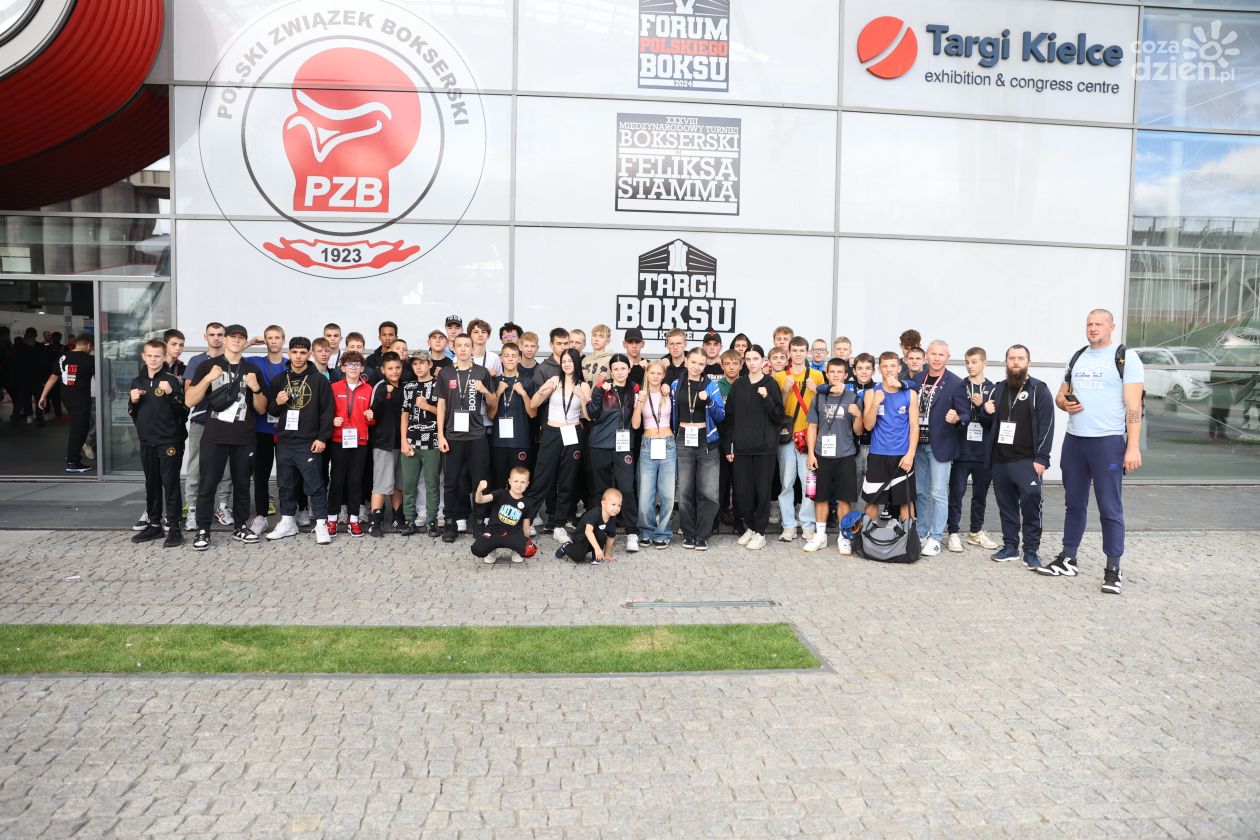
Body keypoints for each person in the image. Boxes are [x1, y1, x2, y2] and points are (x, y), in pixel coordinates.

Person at [1044, 309, 1145, 595]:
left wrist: (1132, 447)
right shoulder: (1077, 356)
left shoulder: (1126, 358)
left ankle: (1113, 568)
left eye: (1099, 324)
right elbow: (1061, 395)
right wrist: (1065, 403)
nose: (1093, 328)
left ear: (1111, 327)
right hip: (1075, 441)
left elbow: (1134, 407)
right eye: (1089, 324)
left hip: (1107, 443)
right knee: (1073, 503)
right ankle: (1068, 558)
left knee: (1109, 507)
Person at [185, 324, 268, 550]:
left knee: (242, 484)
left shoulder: (252, 369)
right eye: (233, 336)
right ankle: (203, 529)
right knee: (208, 484)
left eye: (241, 337)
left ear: (245, 341)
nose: (237, 340)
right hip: (214, 434)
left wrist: (256, 388)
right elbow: (189, 400)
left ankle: (240, 526)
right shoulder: (207, 366)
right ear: (226, 339)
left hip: (244, 436)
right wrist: (207, 379)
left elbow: (261, 408)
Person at [978, 344, 1054, 571]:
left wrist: (1042, 458)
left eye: (1020, 358)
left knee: (1031, 502)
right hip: (1000, 460)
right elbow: (987, 424)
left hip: (1027, 460)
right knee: (1006, 505)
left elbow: (1047, 425)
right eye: (1012, 358)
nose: (1016, 362)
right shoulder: (998, 389)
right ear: (1006, 362)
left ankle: (1031, 550)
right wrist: (985, 412)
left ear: (1028, 362)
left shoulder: (1039, 389)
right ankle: (1010, 546)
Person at [264, 337, 334, 545]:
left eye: (303, 353)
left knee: (315, 484)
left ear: (309, 354)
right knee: (285, 484)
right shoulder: (279, 379)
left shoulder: (319, 380)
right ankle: (287, 521)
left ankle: (321, 524)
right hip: (285, 440)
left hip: (309, 441)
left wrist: (322, 438)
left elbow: (327, 412)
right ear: (289, 353)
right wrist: (277, 402)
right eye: (294, 352)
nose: (298, 356)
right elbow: (271, 410)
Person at [911, 340, 971, 557]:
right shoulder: (917, 378)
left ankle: (936, 537)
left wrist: (957, 418)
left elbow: (966, 414)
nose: (937, 358)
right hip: (918, 444)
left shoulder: (956, 383)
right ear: (926, 355)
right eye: (933, 354)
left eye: (941, 355)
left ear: (947, 357)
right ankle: (921, 533)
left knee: (938, 492)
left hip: (941, 445)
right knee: (921, 492)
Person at [436, 334, 498, 542]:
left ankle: (479, 521)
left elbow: (493, 403)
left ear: (472, 348)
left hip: (477, 435)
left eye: (467, 345)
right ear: (453, 348)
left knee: (480, 481)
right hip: (453, 435)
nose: (463, 349)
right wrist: (440, 435)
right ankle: (450, 522)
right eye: (459, 345)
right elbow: (441, 405)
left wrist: (485, 390)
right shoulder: (446, 373)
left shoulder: (481, 372)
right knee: (451, 481)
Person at [128, 339, 189, 547]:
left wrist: (171, 394)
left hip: (169, 440)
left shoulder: (172, 381)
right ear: (143, 357)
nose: (153, 359)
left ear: (164, 357)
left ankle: (174, 527)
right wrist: (133, 402)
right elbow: (133, 413)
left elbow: (184, 411)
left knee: (170, 484)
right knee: (151, 483)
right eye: (150, 356)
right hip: (147, 441)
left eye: (157, 356)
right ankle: (154, 525)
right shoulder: (137, 382)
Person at [526, 348, 590, 542]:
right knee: (542, 478)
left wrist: (582, 397)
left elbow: (588, 416)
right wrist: (544, 388)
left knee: (567, 480)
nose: (567, 364)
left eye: (570, 360)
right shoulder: (554, 380)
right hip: (552, 432)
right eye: (564, 361)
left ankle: (559, 525)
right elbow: (533, 404)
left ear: (576, 363)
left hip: (573, 433)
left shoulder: (583, 385)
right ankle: (527, 521)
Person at [724, 346, 783, 551]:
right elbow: (729, 418)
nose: (751, 363)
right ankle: (750, 527)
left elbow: (778, 416)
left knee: (763, 491)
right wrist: (728, 446)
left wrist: (766, 398)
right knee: (743, 491)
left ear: (763, 360)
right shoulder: (738, 385)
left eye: (755, 358)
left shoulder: (770, 384)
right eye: (748, 359)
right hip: (741, 448)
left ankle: (761, 532)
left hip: (764, 449)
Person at [804, 358, 863, 554]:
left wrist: (858, 415)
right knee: (820, 497)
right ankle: (820, 536)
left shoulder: (854, 398)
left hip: (845, 455)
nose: (836, 375)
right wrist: (811, 454)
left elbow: (859, 431)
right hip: (822, 454)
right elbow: (812, 427)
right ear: (827, 374)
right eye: (832, 372)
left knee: (844, 498)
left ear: (846, 375)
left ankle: (843, 536)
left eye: (840, 372)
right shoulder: (818, 398)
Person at [947, 347, 1000, 553]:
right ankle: (953, 532)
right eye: (967, 362)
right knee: (957, 493)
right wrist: (976, 409)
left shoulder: (993, 389)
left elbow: (992, 423)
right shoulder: (961, 387)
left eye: (974, 362)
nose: (970, 366)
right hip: (962, 451)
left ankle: (975, 531)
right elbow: (961, 417)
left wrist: (981, 407)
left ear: (984, 363)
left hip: (984, 452)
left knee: (980, 495)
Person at [672, 348, 726, 550]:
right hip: (683, 438)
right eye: (693, 362)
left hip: (707, 440)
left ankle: (703, 535)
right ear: (686, 362)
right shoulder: (676, 384)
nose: (696, 367)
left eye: (701, 364)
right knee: (685, 490)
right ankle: (688, 533)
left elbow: (721, 415)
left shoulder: (711, 385)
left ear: (705, 366)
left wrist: (709, 401)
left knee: (709, 492)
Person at [587, 354, 640, 552]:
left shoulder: (634, 389)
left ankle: (632, 532)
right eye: (615, 369)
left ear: (629, 369)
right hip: (600, 444)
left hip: (623, 446)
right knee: (601, 491)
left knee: (626, 488)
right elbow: (592, 414)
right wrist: (599, 392)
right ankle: (601, 531)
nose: (619, 372)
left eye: (623, 368)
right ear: (611, 371)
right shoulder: (603, 387)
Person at [774, 336, 824, 542]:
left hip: (808, 436)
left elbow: (824, 406)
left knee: (808, 483)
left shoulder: (817, 375)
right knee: (786, 483)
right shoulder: (780, 376)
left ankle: (808, 525)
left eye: (801, 350)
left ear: (808, 352)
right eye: (794, 350)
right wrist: (785, 391)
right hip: (786, 437)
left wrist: (816, 391)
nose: (798, 354)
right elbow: (776, 409)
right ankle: (788, 525)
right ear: (789, 352)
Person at [182, 323, 232, 530]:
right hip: (201, 420)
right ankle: (192, 509)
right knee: (196, 466)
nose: (216, 338)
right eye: (212, 334)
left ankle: (223, 506)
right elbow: (189, 393)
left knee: (226, 467)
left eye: (220, 334)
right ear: (205, 337)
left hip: (226, 421)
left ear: (225, 338)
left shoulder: (232, 360)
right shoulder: (197, 361)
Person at [861, 351, 918, 524]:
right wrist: (875, 403)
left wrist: (910, 454)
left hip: (902, 455)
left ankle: (908, 537)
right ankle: (868, 536)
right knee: (872, 500)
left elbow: (914, 427)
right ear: (879, 370)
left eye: (893, 366)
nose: (889, 369)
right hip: (878, 454)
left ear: (899, 368)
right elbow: (868, 426)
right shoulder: (871, 393)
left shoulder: (910, 394)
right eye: (885, 366)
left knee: (905, 501)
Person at [245, 324, 289, 534]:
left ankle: (290, 515)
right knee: (261, 474)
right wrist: (251, 342)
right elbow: (231, 353)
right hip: (261, 427)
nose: (273, 341)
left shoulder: (291, 364)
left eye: (277, 337)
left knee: (287, 474)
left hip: (286, 429)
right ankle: (261, 516)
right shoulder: (256, 362)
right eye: (269, 338)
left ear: (283, 340)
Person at [327, 351, 373, 537]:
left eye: (357, 365)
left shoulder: (368, 389)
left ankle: (354, 520)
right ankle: (332, 519)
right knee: (337, 480)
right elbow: (325, 412)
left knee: (355, 480)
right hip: (338, 439)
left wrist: (371, 418)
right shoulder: (334, 387)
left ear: (362, 368)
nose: (353, 368)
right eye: (349, 364)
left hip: (360, 441)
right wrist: (332, 421)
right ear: (343, 368)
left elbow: (373, 419)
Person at [633, 360, 676, 548]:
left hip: (667, 443)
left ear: (664, 375)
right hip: (648, 443)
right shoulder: (640, 395)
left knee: (667, 493)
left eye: (659, 373)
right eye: (652, 373)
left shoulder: (669, 393)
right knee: (645, 493)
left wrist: (668, 389)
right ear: (647, 374)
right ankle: (646, 530)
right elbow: (635, 424)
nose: (656, 376)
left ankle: (663, 532)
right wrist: (640, 402)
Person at [38, 333, 95, 473]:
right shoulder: (89, 360)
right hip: (81, 399)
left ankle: (73, 455)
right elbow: (99, 379)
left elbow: (53, 378)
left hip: (67, 399)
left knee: (82, 427)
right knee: (79, 429)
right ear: (89, 345)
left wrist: (43, 396)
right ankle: (72, 461)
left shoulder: (63, 356)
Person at [400, 350, 441, 537]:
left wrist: (427, 407)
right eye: (415, 364)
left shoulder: (438, 384)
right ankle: (409, 520)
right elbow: (404, 414)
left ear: (430, 364)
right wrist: (403, 440)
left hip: (432, 442)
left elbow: (444, 412)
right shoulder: (409, 387)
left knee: (432, 484)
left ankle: (431, 521)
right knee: (409, 484)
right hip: (411, 441)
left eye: (422, 363)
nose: (418, 367)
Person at [489, 342, 537, 490]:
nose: (510, 359)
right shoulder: (494, 382)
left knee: (520, 483)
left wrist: (523, 394)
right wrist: (498, 393)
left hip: (520, 441)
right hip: (498, 442)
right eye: (506, 356)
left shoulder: (528, 382)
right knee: (498, 482)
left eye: (514, 356)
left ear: (519, 359)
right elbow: (490, 414)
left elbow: (533, 413)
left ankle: (521, 506)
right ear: (501, 358)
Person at [471, 473, 538, 564]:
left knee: (530, 550)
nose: (519, 485)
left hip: (514, 533)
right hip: (494, 531)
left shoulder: (527, 503)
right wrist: (479, 490)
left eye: (522, 482)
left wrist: (524, 543)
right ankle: (491, 550)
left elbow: (526, 528)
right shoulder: (500, 493)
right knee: (477, 549)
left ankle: (516, 551)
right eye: (516, 481)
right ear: (510, 481)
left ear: (527, 484)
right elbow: (480, 500)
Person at [715, 349, 744, 534]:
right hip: (720, 440)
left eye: (735, 363)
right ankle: (718, 518)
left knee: (740, 483)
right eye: (727, 364)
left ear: (741, 365)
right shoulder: (717, 386)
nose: (731, 367)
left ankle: (738, 521)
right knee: (721, 482)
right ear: (722, 366)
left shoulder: (746, 384)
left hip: (741, 440)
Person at [554, 487, 621, 564]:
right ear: (603, 503)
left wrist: (607, 555)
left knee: (602, 535)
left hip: (593, 538)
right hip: (581, 538)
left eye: (619, 505)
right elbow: (588, 532)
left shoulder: (612, 517)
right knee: (579, 557)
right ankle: (566, 546)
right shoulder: (595, 513)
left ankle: (595, 556)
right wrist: (597, 549)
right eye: (613, 504)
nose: (616, 508)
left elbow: (611, 537)